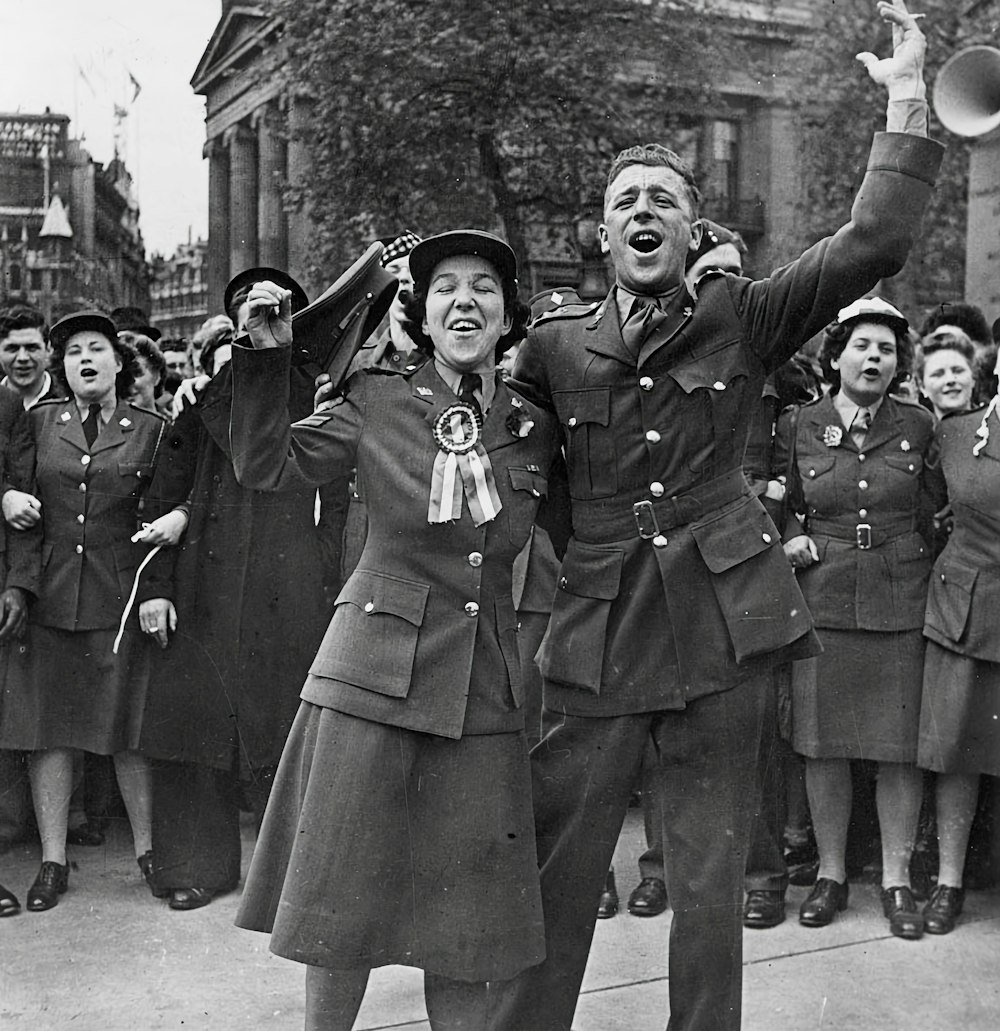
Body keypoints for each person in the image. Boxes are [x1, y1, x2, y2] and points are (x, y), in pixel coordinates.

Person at [490, 4, 943, 1027]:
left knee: (709, 886)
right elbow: (527, 492)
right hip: (598, 630)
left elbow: (874, 238)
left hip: (722, 628)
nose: (643, 209)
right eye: (625, 200)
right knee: (562, 867)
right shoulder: (553, 348)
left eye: (664, 197)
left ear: (691, 231)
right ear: (601, 234)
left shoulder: (743, 315)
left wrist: (905, 93)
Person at [230, 230, 560, 1031]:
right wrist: (267, 358)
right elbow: (265, 465)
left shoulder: (530, 424)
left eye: (484, 287)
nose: (465, 302)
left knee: (466, 929)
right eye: (446, 286)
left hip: (482, 689)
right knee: (339, 909)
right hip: (370, 675)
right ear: (420, 308)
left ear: (507, 316)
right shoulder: (377, 398)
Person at [135, 268, 331, 912]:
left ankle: (292, 875)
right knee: (197, 728)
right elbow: (164, 493)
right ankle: (195, 866)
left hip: (292, 582)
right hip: (205, 586)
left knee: (289, 729)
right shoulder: (200, 400)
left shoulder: (320, 396)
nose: (264, 316)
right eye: (250, 308)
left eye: (278, 309)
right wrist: (157, 587)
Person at [777, 297, 945, 942]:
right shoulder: (799, 424)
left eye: (886, 350)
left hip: (900, 601)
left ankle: (897, 880)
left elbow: (938, 507)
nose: (874, 358)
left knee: (897, 750)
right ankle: (831, 873)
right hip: (821, 599)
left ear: (899, 363)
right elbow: (772, 496)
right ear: (836, 354)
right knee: (823, 747)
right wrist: (788, 534)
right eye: (862, 346)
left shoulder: (920, 426)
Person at [0, 311, 166, 911]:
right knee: (50, 733)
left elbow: (162, 511)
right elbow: (16, 496)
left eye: (96, 350)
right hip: (50, 595)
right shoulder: (37, 423)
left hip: (118, 598)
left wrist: (152, 592)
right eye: (72, 353)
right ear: (60, 366)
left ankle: (148, 852)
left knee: (129, 731)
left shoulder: (150, 427)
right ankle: (50, 861)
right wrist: (9, 502)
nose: (84, 360)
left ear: (119, 364)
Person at [918, 347, 1000, 934]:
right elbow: (921, 514)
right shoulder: (956, 434)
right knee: (956, 754)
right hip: (964, 610)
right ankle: (949, 882)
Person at [0, 305, 57, 410]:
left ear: (48, 349)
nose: (22, 358)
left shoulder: (72, 399)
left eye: (32, 348)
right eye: (12, 348)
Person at [916, 327, 977, 419]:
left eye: (958, 371)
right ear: (922, 386)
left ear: (973, 377)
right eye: (938, 374)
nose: (950, 380)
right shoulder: (916, 432)